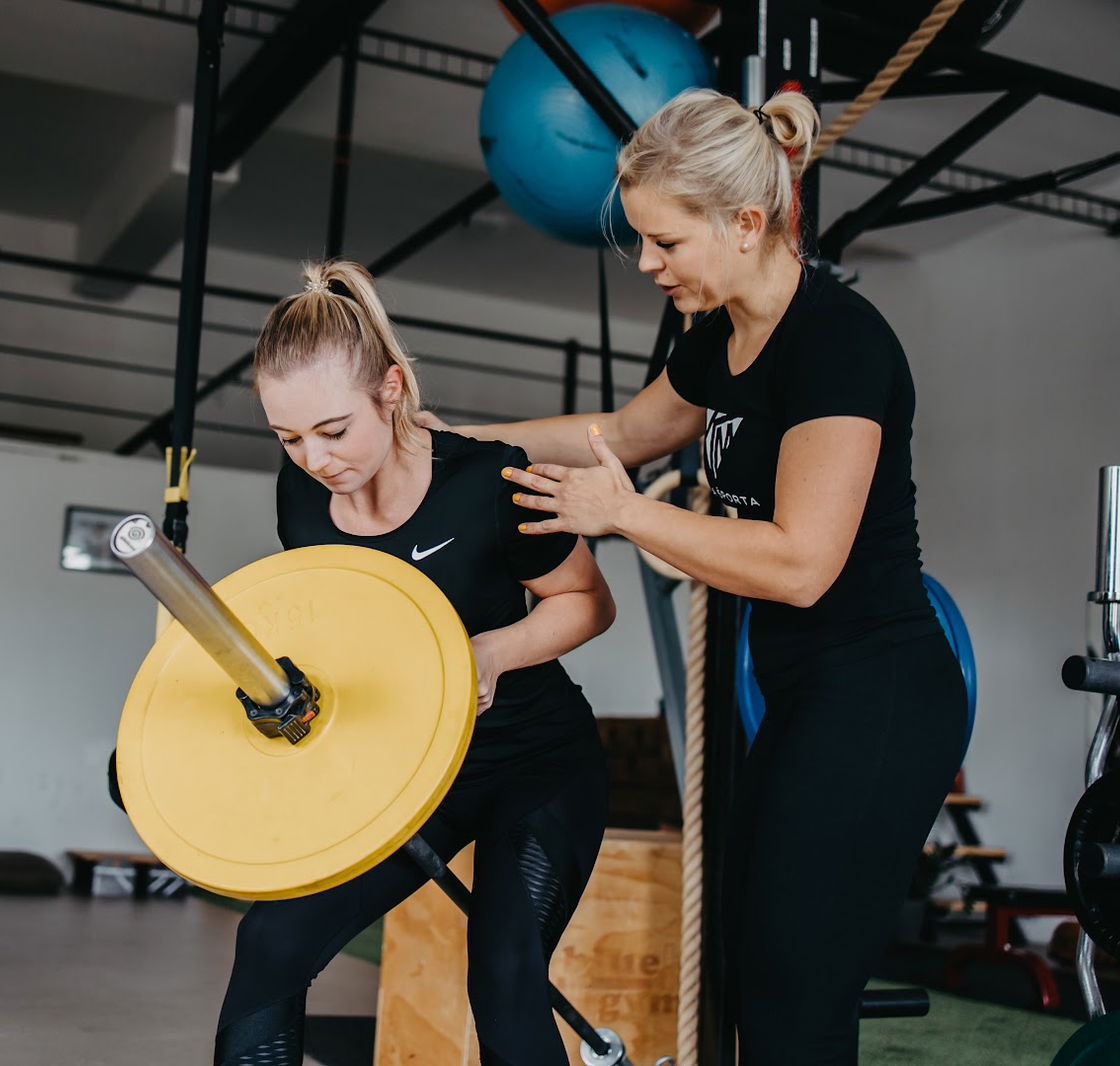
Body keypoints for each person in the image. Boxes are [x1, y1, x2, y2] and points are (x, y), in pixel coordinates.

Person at [423, 88, 968, 1066]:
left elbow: (802, 565)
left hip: (878, 692)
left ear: (746, 223)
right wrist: (452, 442)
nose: (646, 264)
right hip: (798, 694)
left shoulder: (838, 341)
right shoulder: (718, 337)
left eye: (665, 242)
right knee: (751, 974)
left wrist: (625, 511)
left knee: (796, 992)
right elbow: (624, 435)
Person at [213, 259, 618, 1066]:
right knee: (271, 943)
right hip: (410, 778)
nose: (315, 459)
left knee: (504, 979)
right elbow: (337, 624)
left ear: (391, 390)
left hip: (533, 765)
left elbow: (588, 603)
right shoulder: (301, 498)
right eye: (288, 438)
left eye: (333, 430)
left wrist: (492, 651)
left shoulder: (488, 482)